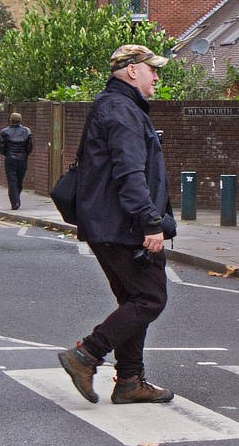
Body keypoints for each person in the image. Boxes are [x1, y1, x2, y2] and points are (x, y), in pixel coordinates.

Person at [56, 44, 179, 405]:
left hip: (108, 222)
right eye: (151, 69)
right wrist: (150, 222)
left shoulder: (116, 106)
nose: (156, 76)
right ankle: (86, 355)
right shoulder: (121, 110)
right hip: (123, 225)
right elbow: (129, 173)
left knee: (132, 299)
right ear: (131, 71)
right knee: (151, 298)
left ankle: (129, 380)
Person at [0, 112, 34, 210]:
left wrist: (7, 154)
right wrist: (25, 154)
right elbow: (30, 147)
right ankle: (16, 200)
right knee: (19, 180)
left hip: (10, 159)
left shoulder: (4, 132)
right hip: (23, 159)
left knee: (12, 180)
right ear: (20, 120)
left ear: (11, 120)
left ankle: (15, 202)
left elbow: (2, 148)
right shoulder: (27, 131)